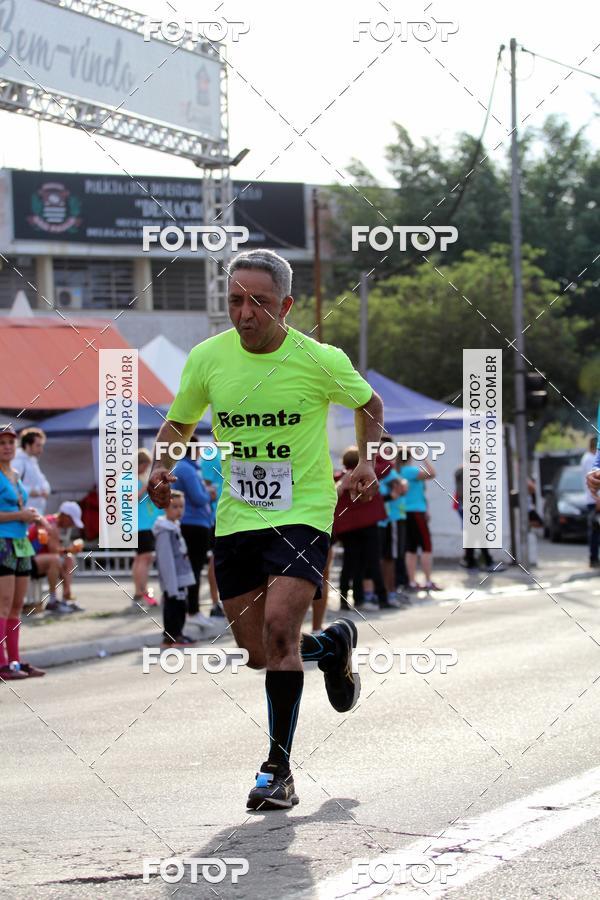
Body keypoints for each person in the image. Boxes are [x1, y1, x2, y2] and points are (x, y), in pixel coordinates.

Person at [148, 248, 384, 810]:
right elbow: (179, 422)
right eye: (235, 300)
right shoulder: (208, 358)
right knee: (258, 651)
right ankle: (331, 646)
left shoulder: (318, 358)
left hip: (301, 510)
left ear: (287, 305)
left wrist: (367, 461)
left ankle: (277, 771)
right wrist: (162, 463)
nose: (245, 313)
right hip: (237, 517)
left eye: (258, 301)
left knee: (280, 629)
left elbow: (368, 402)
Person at [0, 425, 45, 679]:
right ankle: (2, 662)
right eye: (2, 443)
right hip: (2, 543)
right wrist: (20, 515)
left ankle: (15, 661)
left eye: (10, 442)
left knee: (18, 605)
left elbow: (23, 506)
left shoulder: (15, 474)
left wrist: (37, 518)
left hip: (20, 543)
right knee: (3, 604)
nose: (7, 446)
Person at [333, 446, 391, 611]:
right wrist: (372, 451)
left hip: (347, 527)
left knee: (350, 564)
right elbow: (388, 465)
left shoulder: (338, 478)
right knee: (373, 561)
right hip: (368, 523)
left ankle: (345, 600)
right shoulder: (368, 475)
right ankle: (382, 598)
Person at [173, 436, 215, 629]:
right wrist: (210, 494)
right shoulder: (187, 469)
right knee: (194, 569)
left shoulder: (186, 467)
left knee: (193, 569)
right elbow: (198, 498)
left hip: (193, 523)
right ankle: (193, 611)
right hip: (193, 524)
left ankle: (191, 610)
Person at [152, 491, 197, 647]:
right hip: (173, 580)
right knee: (173, 608)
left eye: (181, 507)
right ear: (165, 508)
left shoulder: (174, 527)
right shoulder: (165, 531)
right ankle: (172, 636)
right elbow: (166, 561)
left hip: (179, 578)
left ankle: (178, 634)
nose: (179, 510)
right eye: (174, 507)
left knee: (180, 607)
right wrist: (171, 586)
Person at [29, 501, 85, 612]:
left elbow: (57, 551)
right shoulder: (51, 524)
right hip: (27, 562)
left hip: (38, 560)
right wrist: (70, 550)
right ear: (65, 516)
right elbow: (54, 553)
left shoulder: (53, 524)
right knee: (55, 560)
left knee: (69, 558)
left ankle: (65, 599)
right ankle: (53, 601)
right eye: (72, 521)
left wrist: (69, 551)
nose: (72, 525)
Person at [400, 447, 440, 591]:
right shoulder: (409, 471)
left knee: (410, 548)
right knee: (426, 546)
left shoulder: (399, 471)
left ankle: (411, 581)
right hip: (416, 512)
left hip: (407, 512)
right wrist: (423, 457)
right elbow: (432, 474)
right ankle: (428, 581)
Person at [132, 449, 160, 608]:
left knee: (141, 559)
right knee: (144, 558)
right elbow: (132, 498)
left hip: (144, 524)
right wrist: (146, 486)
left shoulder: (138, 478)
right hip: (140, 525)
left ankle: (140, 592)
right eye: (145, 465)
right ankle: (141, 593)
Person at [13, 427, 51, 515]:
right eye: (38, 445)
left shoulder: (32, 462)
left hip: (35, 513)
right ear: (27, 445)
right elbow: (11, 486)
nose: (41, 449)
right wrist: (30, 491)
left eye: (41, 445)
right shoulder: (18, 462)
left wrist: (45, 490)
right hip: (23, 514)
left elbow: (43, 482)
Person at [581, 437, 599, 568]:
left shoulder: (587, 458)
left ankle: (594, 558)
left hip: (593, 499)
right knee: (595, 531)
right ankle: (593, 559)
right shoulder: (590, 459)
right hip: (595, 500)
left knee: (595, 531)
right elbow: (594, 480)